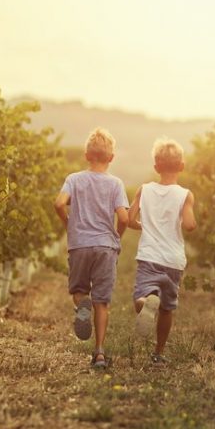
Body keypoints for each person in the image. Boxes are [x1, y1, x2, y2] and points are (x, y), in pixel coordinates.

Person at [54, 127, 129, 369]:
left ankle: (81, 305)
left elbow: (58, 203)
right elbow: (125, 218)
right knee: (102, 302)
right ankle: (99, 353)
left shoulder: (74, 179)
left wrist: (69, 224)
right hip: (105, 246)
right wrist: (116, 237)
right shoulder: (116, 184)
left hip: (80, 245)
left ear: (87, 155)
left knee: (79, 291)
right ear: (112, 158)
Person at [128, 137, 197, 364]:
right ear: (182, 166)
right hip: (173, 259)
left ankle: (143, 303)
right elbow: (189, 225)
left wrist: (143, 226)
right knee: (167, 308)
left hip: (149, 255)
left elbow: (130, 219)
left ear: (156, 167)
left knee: (144, 293)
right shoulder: (185, 194)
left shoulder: (144, 190)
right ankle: (158, 352)